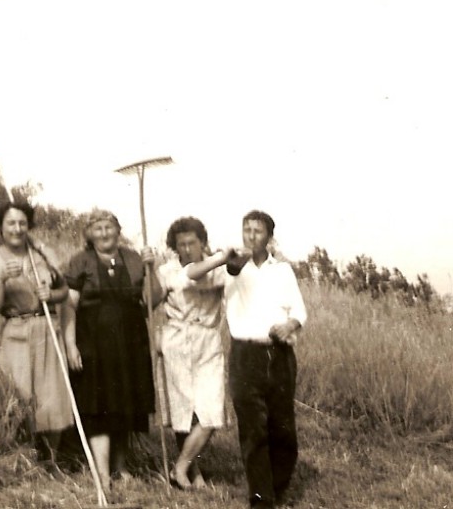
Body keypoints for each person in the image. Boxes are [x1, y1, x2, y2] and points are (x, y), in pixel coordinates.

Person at [187, 210, 307, 509]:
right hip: (245, 356)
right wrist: (221, 258)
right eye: (247, 230)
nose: (251, 236)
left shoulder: (282, 270)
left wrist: (289, 325)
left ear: (270, 237)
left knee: (284, 432)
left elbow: (300, 312)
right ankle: (261, 499)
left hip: (279, 355)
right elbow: (191, 274)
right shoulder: (231, 266)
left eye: (258, 231)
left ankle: (275, 489)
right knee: (253, 430)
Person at [63, 209, 163, 490]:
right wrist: (70, 344)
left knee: (125, 405)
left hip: (130, 342)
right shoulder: (79, 261)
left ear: (118, 231)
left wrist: (150, 268)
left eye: (109, 227)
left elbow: (152, 302)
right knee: (99, 407)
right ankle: (103, 476)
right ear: (89, 234)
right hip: (93, 343)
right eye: (98, 228)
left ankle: (121, 467)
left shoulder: (134, 258)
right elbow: (69, 306)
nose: (105, 233)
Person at [0, 200, 74, 464]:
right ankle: (25, 459)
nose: (17, 229)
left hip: (48, 328)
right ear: (0, 226)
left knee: (52, 395)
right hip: (17, 330)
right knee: (20, 395)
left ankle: (51, 459)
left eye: (22, 223)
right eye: (11, 223)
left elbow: (64, 290)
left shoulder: (41, 254)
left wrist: (51, 294)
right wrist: (0, 281)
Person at [156, 217, 227, 490]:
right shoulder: (167, 271)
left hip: (208, 341)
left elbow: (218, 272)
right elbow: (159, 296)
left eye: (191, 243)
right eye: (180, 244)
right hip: (177, 339)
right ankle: (192, 474)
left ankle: (179, 467)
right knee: (183, 412)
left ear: (203, 243)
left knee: (210, 413)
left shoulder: (217, 268)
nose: (186, 249)